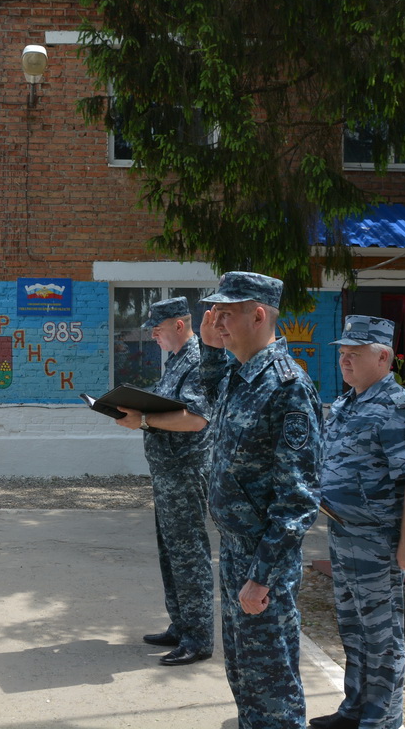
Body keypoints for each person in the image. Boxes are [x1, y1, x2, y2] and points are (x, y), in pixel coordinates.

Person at [197, 272, 321, 729]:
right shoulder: (238, 374)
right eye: (216, 313)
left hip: (262, 561)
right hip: (235, 549)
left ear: (260, 315)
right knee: (245, 675)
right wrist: (210, 348)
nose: (218, 321)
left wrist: (261, 579)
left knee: (273, 685)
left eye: (227, 314)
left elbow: (298, 498)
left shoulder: (287, 387)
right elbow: (208, 397)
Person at [312, 316, 405, 729]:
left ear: (383, 356)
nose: (345, 360)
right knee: (353, 629)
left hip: (378, 541)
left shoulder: (398, 408)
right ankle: (355, 710)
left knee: (381, 637)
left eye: (355, 353)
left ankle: (382, 720)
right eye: (342, 353)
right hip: (344, 534)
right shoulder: (349, 402)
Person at [111, 297, 214, 666]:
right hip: (169, 473)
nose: (153, 336)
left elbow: (195, 419)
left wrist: (142, 421)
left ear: (180, 325)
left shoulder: (197, 362)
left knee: (189, 556)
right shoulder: (175, 363)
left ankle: (198, 637)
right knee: (172, 554)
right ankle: (182, 624)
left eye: (158, 329)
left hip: (186, 472)